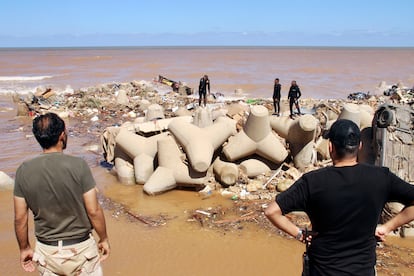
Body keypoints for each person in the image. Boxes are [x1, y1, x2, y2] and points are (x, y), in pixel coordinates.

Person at [265, 119, 414, 276]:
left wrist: (299, 233)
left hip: (322, 271)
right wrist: (387, 227)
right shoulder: (381, 177)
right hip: (363, 271)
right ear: (360, 147)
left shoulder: (312, 181)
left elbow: (271, 211)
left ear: (330, 147)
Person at [14, 112, 110, 275]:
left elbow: (20, 218)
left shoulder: (24, 171)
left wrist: (24, 248)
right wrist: (104, 238)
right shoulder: (78, 166)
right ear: (62, 135)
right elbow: (93, 211)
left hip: (47, 252)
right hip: (81, 250)